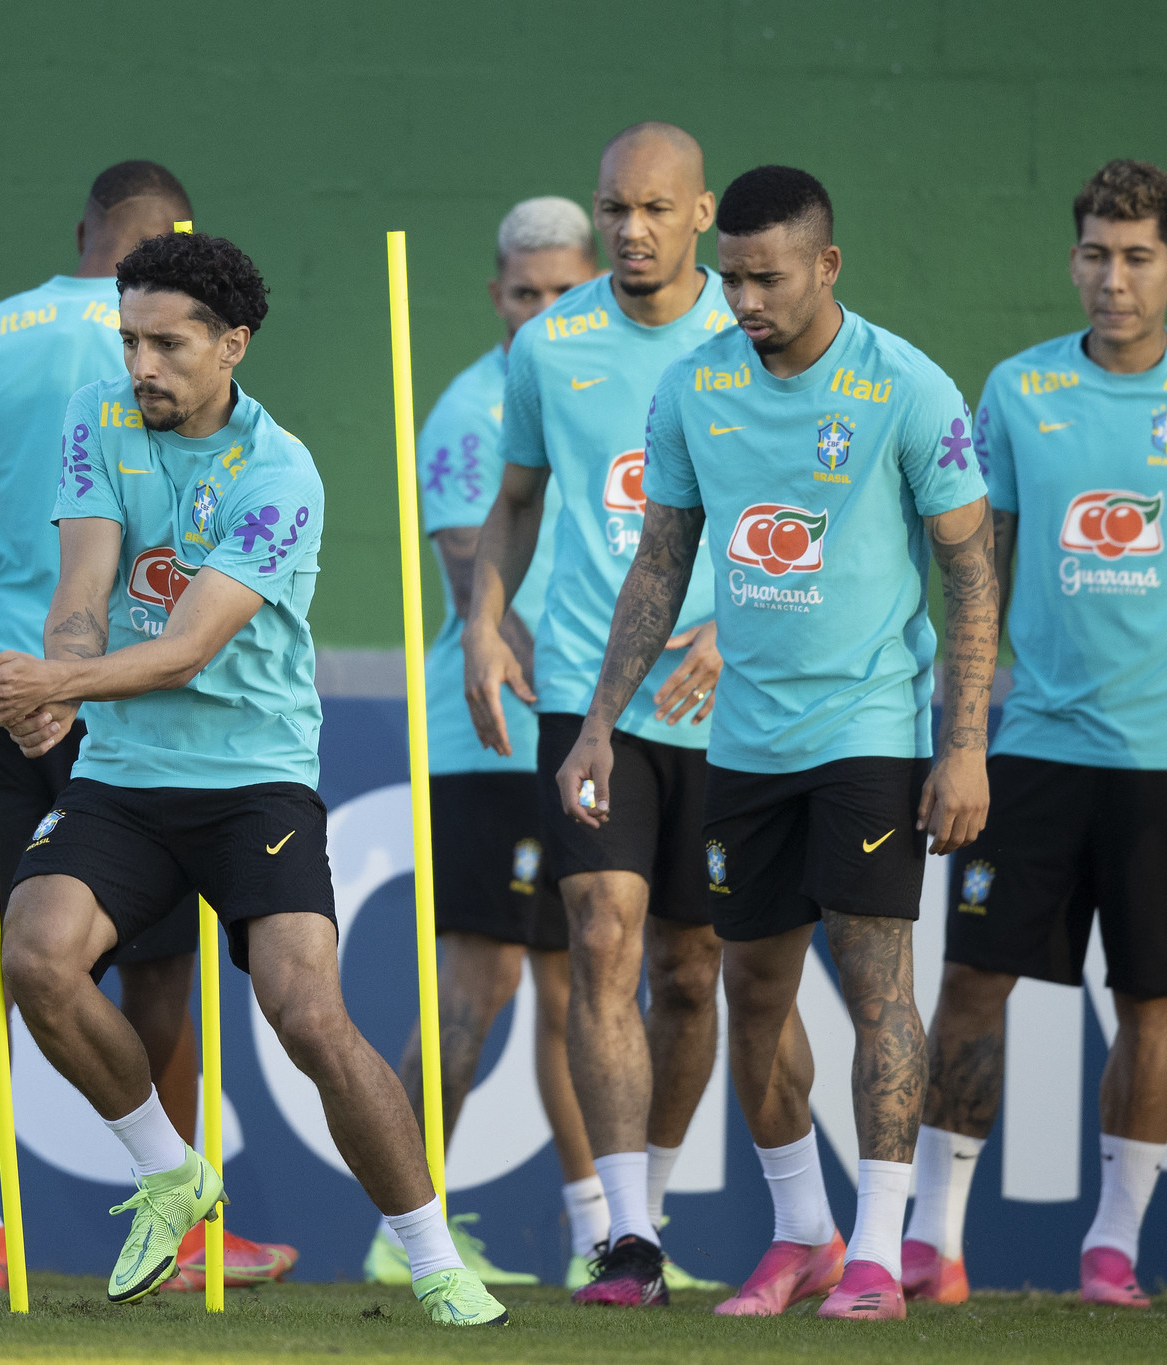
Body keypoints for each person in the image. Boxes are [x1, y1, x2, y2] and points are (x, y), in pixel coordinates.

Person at [0, 230, 509, 1327]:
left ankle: (431, 1258)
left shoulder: (280, 469)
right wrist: (54, 685)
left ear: (231, 345)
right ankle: (168, 1173)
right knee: (34, 957)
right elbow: (82, 588)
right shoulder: (96, 417)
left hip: (252, 780)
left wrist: (64, 679)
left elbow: (188, 648)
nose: (139, 365)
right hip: (123, 774)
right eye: (128, 340)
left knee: (306, 1016)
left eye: (166, 344)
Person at [577, 164, 997, 1320]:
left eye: (766, 277)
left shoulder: (905, 386)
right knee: (746, 995)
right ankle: (798, 1229)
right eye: (731, 277)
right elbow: (660, 563)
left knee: (874, 987)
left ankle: (874, 1251)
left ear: (826, 267)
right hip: (741, 741)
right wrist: (598, 724)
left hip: (867, 729)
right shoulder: (692, 386)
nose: (744, 298)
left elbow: (967, 572)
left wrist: (958, 746)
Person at [0, 161, 295, 1293]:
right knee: (159, 974)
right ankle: (189, 1234)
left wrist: (25, 669)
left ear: (82, 228)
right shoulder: (169, 344)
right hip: (129, 694)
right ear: (168, 242)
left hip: (11, 681)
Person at [460, 122, 741, 1306]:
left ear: (701, 215)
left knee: (688, 971)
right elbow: (514, 500)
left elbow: (815, 510)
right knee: (601, 938)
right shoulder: (551, 343)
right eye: (612, 208)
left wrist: (739, 630)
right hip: (589, 698)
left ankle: (653, 1200)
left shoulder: (755, 331)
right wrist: (483, 618)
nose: (629, 230)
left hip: (734, 705)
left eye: (652, 209)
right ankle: (623, 1234)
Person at [905, 158, 1167, 1311]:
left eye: (1137, 256)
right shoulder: (1012, 391)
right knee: (969, 984)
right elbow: (976, 578)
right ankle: (931, 1238)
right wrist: (962, 740)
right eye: (1094, 255)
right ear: (1070, 260)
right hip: (1036, 750)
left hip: (1158, 767)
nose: (1111, 280)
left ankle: (1110, 1245)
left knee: (1151, 1008)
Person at [364, 195, 601, 1291]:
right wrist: (588, 711)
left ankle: (602, 1233)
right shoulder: (472, 408)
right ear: (495, 295)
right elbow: (478, 588)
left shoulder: (600, 392)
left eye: (564, 290)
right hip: (498, 734)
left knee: (579, 985)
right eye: (524, 293)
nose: (545, 311)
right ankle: (401, 1229)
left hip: (580, 737)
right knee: (477, 984)